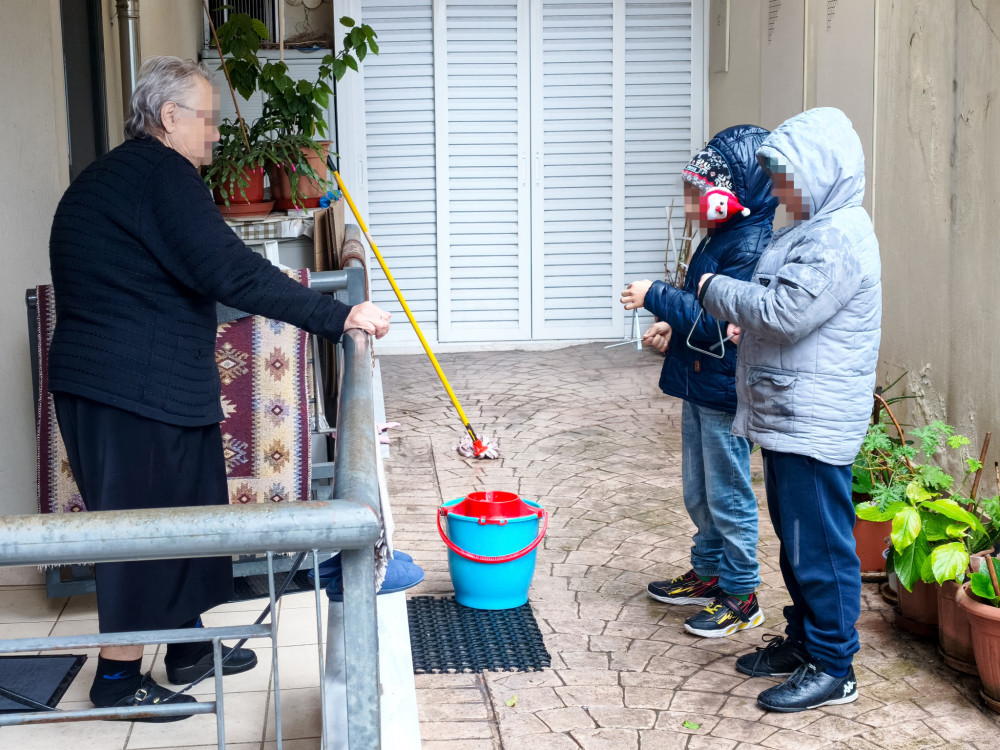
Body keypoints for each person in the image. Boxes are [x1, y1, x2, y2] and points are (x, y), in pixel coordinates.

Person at [48, 56, 392, 719]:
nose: (213, 135)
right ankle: (116, 680)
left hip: (125, 386)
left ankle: (185, 648)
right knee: (142, 533)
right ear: (168, 116)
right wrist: (337, 316)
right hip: (132, 391)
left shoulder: (114, 175)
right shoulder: (161, 175)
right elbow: (228, 269)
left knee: (184, 517)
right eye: (205, 120)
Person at [697, 107, 881, 712]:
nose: (778, 191)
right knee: (797, 541)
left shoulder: (837, 237)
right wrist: (744, 324)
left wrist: (714, 291)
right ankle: (805, 641)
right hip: (790, 414)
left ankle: (833, 667)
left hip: (813, 420)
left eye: (786, 178)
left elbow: (785, 312)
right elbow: (782, 305)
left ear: (821, 172)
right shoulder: (813, 228)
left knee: (821, 547)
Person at [620, 126, 777, 638]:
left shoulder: (750, 246)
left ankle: (741, 593)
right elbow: (705, 315)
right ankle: (709, 572)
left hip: (726, 391)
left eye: (697, 194)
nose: (690, 204)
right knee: (699, 491)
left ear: (733, 194)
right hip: (700, 381)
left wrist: (656, 295)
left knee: (727, 495)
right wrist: (672, 325)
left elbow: (723, 320)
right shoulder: (721, 237)